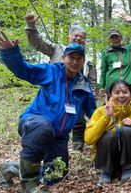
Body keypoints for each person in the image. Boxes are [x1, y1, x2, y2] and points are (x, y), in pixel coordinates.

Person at [0, 31, 96, 193]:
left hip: (60, 136)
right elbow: (24, 70)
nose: (75, 61)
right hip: (34, 122)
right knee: (43, 127)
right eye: (71, 57)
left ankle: (11, 168)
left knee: (56, 176)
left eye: (79, 58)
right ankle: (28, 185)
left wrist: (112, 120)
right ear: (63, 58)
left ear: (83, 62)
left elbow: (94, 112)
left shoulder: (83, 85)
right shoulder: (51, 71)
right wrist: (11, 53)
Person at [25, 13, 97, 152]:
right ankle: (44, 147)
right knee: (51, 121)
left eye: (82, 37)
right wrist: (31, 26)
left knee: (79, 120)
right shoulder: (57, 49)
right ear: (69, 37)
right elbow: (37, 43)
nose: (78, 38)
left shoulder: (87, 61)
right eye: (76, 35)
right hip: (56, 93)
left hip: (77, 92)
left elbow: (91, 80)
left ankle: (77, 148)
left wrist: (91, 93)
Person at [84, 81, 131, 186]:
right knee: (109, 135)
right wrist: (106, 118)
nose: (121, 95)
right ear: (110, 95)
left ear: (130, 94)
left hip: (128, 159)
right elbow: (88, 139)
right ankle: (106, 172)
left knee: (127, 130)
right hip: (105, 159)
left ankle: (127, 169)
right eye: (117, 92)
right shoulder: (100, 111)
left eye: (125, 92)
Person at [100, 14, 131, 95]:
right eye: (112, 37)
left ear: (121, 38)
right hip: (112, 85)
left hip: (128, 83)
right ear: (110, 39)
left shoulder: (129, 49)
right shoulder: (106, 53)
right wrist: (102, 86)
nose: (115, 39)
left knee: (128, 106)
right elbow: (103, 70)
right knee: (112, 107)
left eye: (117, 37)